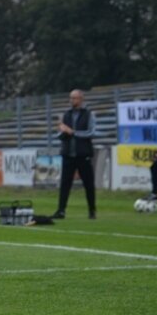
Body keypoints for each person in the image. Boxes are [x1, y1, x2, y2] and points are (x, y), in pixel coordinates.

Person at [52, 89, 97, 220]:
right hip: (68, 154)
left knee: (88, 184)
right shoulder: (66, 115)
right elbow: (62, 134)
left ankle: (92, 210)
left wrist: (73, 132)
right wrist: (62, 132)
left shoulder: (88, 115)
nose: (72, 100)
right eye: (71, 98)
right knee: (65, 184)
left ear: (81, 99)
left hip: (83, 154)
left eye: (75, 98)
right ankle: (61, 210)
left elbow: (91, 133)